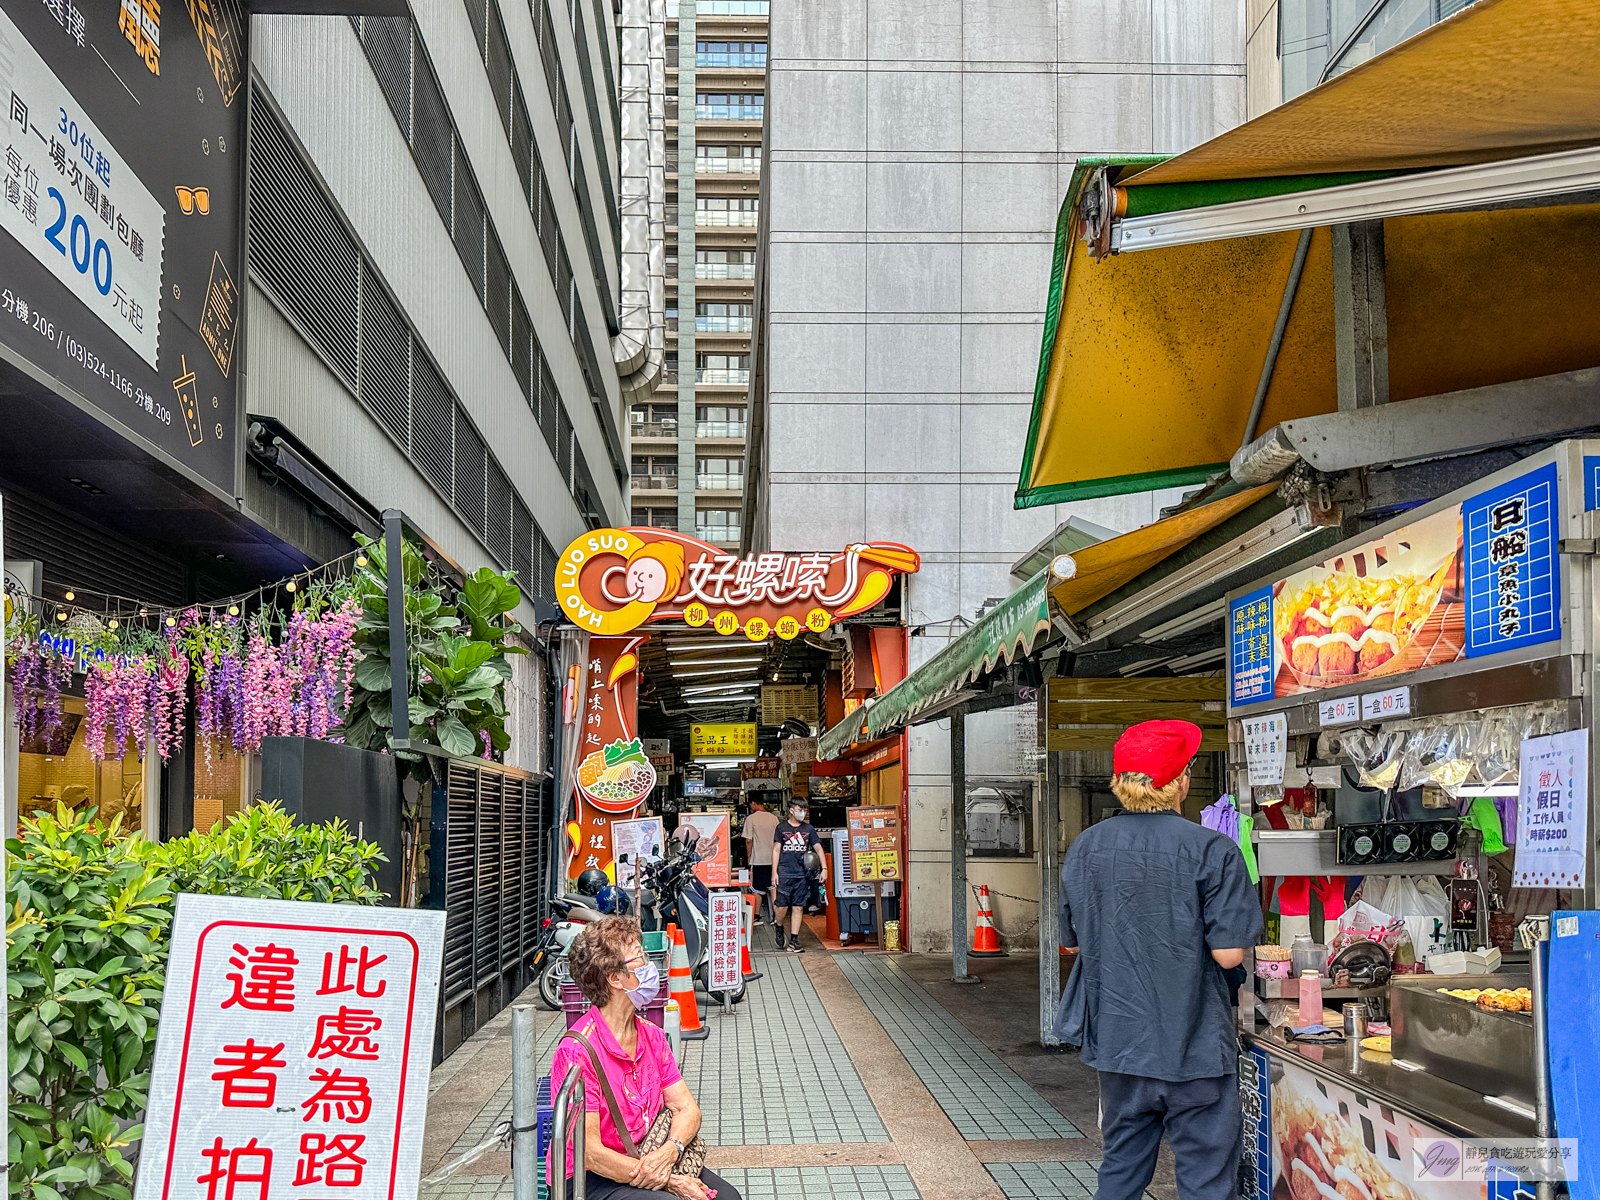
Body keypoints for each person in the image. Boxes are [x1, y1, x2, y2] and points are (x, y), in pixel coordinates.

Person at [1055, 720, 1261, 1200]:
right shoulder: (1213, 848)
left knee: (1121, 1168)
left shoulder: (1086, 847)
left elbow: (1074, 944)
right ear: (1181, 780)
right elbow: (1229, 955)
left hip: (1120, 1044)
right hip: (1194, 1046)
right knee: (1206, 1178)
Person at [549, 915, 741, 1200]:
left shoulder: (651, 1034)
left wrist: (670, 1151)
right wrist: (669, 1181)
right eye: (640, 957)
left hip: (651, 1152)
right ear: (615, 978)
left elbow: (688, 1110)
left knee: (727, 1198)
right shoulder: (577, 1051)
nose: (650, 965)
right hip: (589, 1177)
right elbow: (590, 1152)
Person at [771, 798, 822, 953]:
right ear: (792, 810)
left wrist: (824, 868)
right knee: (781, 907)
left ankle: (794, 941)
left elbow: (818, 848)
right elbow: (776, 850)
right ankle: (779, 926)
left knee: (798, 907)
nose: (803, 813)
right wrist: (774, 872)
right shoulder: (781, 828)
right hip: (785, 872)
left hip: (802, 874)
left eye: (805, 810)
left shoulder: (809, 829)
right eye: (800, 809)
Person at [741, 798, 779, 925]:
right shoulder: (774, 818)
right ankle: (776, 917)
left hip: (758, 860)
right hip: (773, 859)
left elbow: (748, 840)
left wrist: (748, 857)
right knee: (773, 887)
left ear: (754, 803)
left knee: (756, 890)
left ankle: (757, 917)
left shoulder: (751, 819)